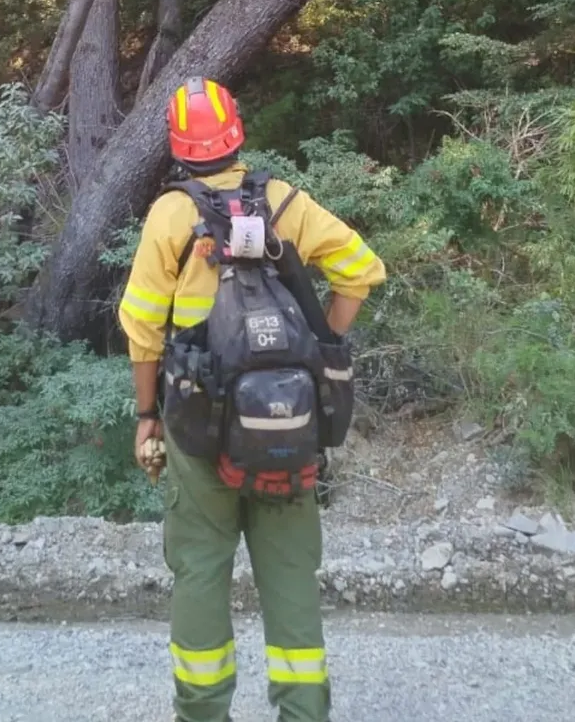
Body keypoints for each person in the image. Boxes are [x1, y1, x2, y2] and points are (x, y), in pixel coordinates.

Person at [118, 77, 386, 722]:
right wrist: (325, 342)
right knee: (290, 574)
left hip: (193, 422)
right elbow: (361, 270)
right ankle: (301, 710)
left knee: (202, 569)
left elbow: (142, 330)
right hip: (287, 422)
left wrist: (147, 417)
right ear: (237, 131)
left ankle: (203, 710)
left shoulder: (171, 215)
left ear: (179, 147)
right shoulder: (285, 201)